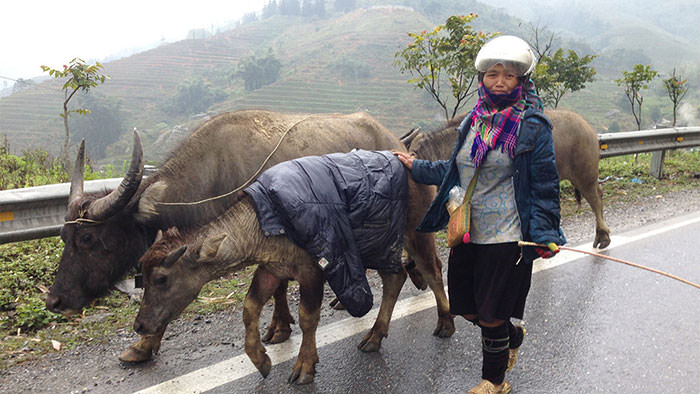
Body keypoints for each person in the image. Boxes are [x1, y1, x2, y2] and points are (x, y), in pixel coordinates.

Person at [394, 35, 566, 394]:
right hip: (468, 230)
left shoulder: (532, 125)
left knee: (491, 314)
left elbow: (545, 183)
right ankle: (512, 335)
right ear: (482, 78)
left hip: (509, 236)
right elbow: (457, 170)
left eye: (509, 75)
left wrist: (547, 232)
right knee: (468, 309)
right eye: (492, 74)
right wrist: (417, 167)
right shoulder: (475, 120)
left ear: (522, 79)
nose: (500, 81)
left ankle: (494, 381)